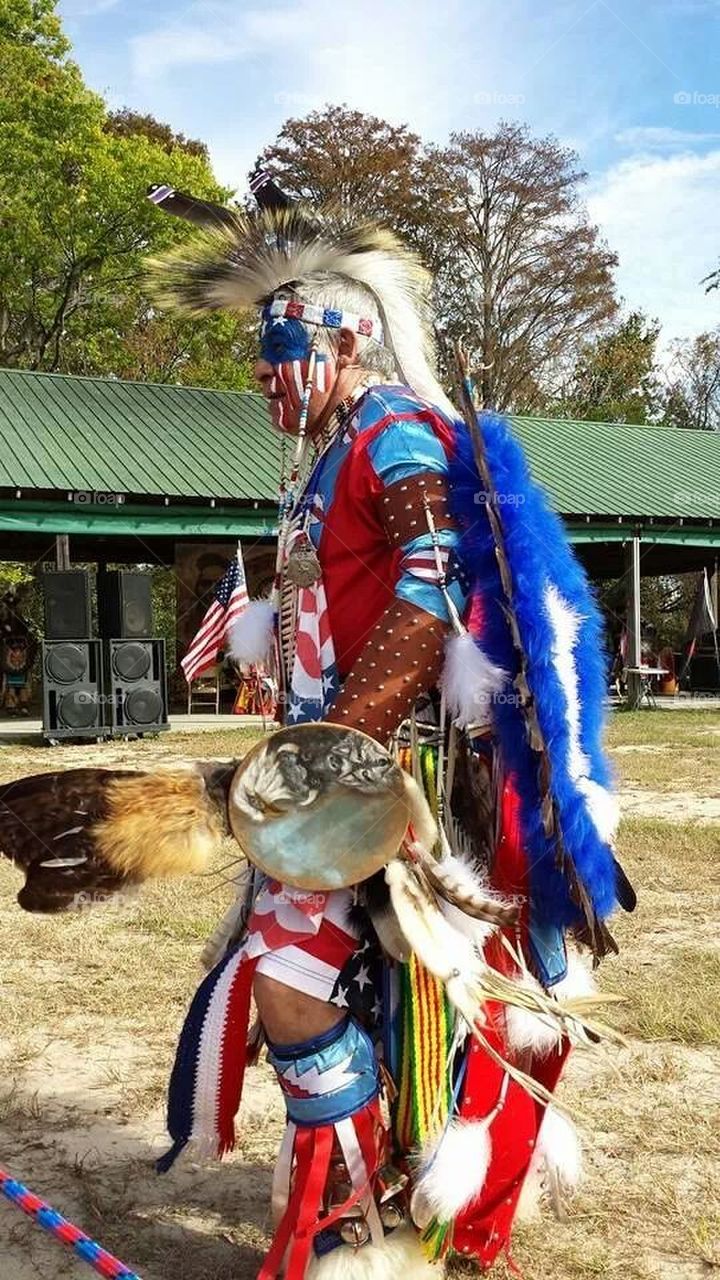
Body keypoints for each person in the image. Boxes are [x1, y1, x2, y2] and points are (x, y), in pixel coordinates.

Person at [145, 184, 634, 1279]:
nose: (261, 372)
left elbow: (434, 582)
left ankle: (376, 1221)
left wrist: (335, 742)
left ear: (344, 339)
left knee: (317, 982)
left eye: (279, 345)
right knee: (315, 984)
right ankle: (361, 1212)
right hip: (340, 769)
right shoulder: (324, 453)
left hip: (397, 774)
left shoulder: (393, 431)